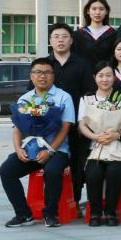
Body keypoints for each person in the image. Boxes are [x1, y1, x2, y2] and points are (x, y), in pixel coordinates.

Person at [0, 58, 74, 228]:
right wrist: (18, 149)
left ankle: (51, 214)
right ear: (31, 76)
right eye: (38, 72)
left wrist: (50, 151)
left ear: (53, 76)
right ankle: (23, 214)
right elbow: (17, 128)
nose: (42, 76)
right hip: (31, 149)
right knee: (6, 171)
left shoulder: (63, 97)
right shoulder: (24, 99)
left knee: (52, 171)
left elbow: (65, 128)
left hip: (56, 150)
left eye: (47, 72)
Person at [41, 23, 94, 207]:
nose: (60, 40)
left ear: (71, 41)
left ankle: (75, 201)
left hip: (76, 124)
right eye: (56, 37)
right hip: (50, 126)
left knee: (77, 163)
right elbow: (34, 93)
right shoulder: (44, 65)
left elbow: (89, 95)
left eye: (64, 37)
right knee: (52, 163)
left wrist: (84, 122)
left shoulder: (82, 64)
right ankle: (53, 203)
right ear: (50, 41)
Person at [78, 61, 121, 227]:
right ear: (94, 78)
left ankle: (111, 212)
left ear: (114, 77)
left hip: (117, 147)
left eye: (109, 75)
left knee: (115, 171)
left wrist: (117, 135)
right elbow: (82, 125)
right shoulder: (86, 98)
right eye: (101, 75)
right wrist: (95, 136)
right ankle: (95, 213)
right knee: (93, 174)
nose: (105, 79)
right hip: (94, 148)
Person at [74, 0, 118, 66]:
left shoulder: (114, 34)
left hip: (107, 72)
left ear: (106, 11)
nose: (97, 12)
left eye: (101, 9)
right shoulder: (78, 34)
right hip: (84, 72)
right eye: (94, 9)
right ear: (88, 11)